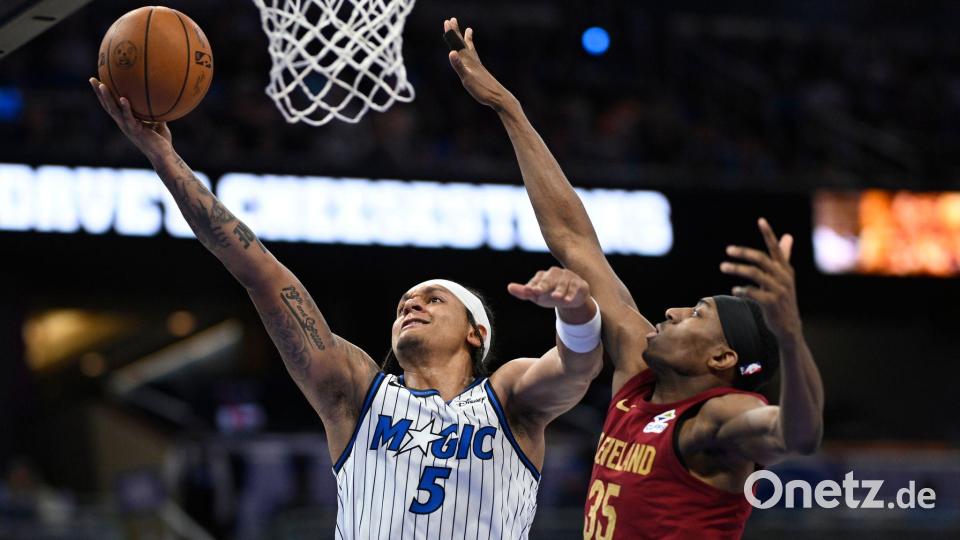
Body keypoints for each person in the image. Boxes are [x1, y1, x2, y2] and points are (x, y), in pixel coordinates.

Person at [89, 77, 605, 539]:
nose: (412, 305)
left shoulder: (508, 396)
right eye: (405, 302)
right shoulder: (356, 391)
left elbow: (578, 366)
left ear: (476, 333)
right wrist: (165, 159)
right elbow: (261, 274)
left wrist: (576, 310)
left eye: (433, 298)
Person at [443, 18, 825, 539]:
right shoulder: (637, 375)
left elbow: (797, 436)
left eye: (696, 315)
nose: (671, 312)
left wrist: (791, 335)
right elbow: (573, 239)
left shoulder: (717, 418)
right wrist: (507, 107)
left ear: (722, 359)